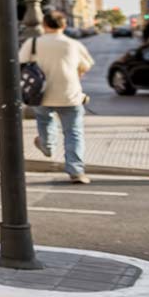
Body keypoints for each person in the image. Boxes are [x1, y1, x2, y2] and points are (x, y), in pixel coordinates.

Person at [20, 11, 95, 184]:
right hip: (70, 94)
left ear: (44, 25)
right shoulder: (73, 44)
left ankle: (47, 147)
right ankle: (76, 171)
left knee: (44, 121)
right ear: (64, 26)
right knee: (73, 133)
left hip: (40, 94)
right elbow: (86, 66)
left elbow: (21, 63)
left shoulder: (33, 43)